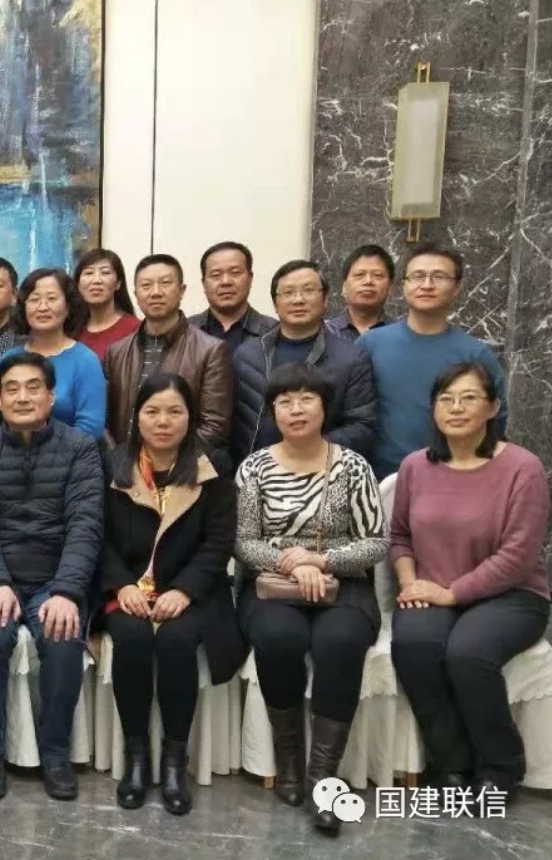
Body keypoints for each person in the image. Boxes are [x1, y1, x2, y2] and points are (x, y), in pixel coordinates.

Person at [233, 363, 387, 835]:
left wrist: (323, 561)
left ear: (325, 407)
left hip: (344, 584)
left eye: (306, 399)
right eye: (285, 401)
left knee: (339, 643)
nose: (296, 409)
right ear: (273, 410)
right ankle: (289, 760)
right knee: (278, 638)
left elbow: (376, 541)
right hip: (272, 584)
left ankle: (323, 777)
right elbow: (243, 542)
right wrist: (294, 565)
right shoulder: (254, 468)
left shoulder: (352, 466)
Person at [390, 362, 550, 802]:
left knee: (469, 653)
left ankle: (500, 766)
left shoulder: (523, 468)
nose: (456, 408)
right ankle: (451, 763)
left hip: (512, 595)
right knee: (415, 646)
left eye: (469, 398)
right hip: (431, 588)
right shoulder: (416, 466)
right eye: (446, 399)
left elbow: (518, 556)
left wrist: (451, 593)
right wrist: (409, 582)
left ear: (493, 407)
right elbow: (399, 535)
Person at [101, 373, 242, 816]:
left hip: (192, 589)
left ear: (190, 417)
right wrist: (121, 583)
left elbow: (220, 540)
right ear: (136, 417)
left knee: (178, 642)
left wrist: (184, 589)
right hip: (129, 587)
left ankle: (174, 760)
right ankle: (137, 757)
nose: (163, 422)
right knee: (132, 638)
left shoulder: (212, 466)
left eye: (175, 412)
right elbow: (97, 536)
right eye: (153, 411)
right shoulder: (114, 465)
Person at [0, 352, 104, 801]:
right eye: (11, 388)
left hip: (55, 578)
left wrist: (66, 591)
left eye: (32, 387)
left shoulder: (80, 449)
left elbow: (85, 526)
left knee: (63, 637)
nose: (22, 397)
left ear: (50, 396)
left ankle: (56, 753)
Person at [358, 244, 507, 478]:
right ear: (404, 285)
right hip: (376, 479)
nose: (427, 285)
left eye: (439, 276)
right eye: (418, 276)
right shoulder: (371, 344)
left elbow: (496, 421)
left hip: (450, 478)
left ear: (456, 287)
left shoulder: (475, 354)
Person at [231, 260, 376, 463]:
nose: (298, 299)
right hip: (256, 471)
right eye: (288, 292)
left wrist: (304, 451)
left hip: (321, 471)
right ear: (275, 304)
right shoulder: (247, 354)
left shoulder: (351, 358)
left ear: (325, 299)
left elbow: (362, 426)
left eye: (308, 290)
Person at [105, 254, 233, 449]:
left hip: (183, 464)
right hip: (124, 462)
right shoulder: (116, 352)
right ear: (136, 294)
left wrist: (165, 459)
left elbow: (214, 426)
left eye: (165, 283)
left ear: (181, 290)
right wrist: (119, 458)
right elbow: (105, 420)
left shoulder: (210, 350)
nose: (155, 292)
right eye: (146, 285)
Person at [0, 268, 106, 440]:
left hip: (73, 453)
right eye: (35, 299)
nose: (43, 307)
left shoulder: (85, 360)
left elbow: (91, 426)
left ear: (68, 307)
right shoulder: (9, 359)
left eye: (52, 299)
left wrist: (50, 452)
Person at [190, 241, 277, 354]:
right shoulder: (185, 331)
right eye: (216, 275)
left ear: (250, 279)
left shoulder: (274, 332)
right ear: (203, 283)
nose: (225, 282)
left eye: (235, 273)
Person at [74, 249, 140, 362]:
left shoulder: (135, 330)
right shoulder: (72, 330)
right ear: (78, 284)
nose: (96, 280)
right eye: (89, 273)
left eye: (105, 273)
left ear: (118, 283)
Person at [326, 245, 395, 342]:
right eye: (359, 275)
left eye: (377, 275)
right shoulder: (326, 333)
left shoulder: (402, 336)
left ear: (390, 287)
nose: (368, 281)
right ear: (344, 287)